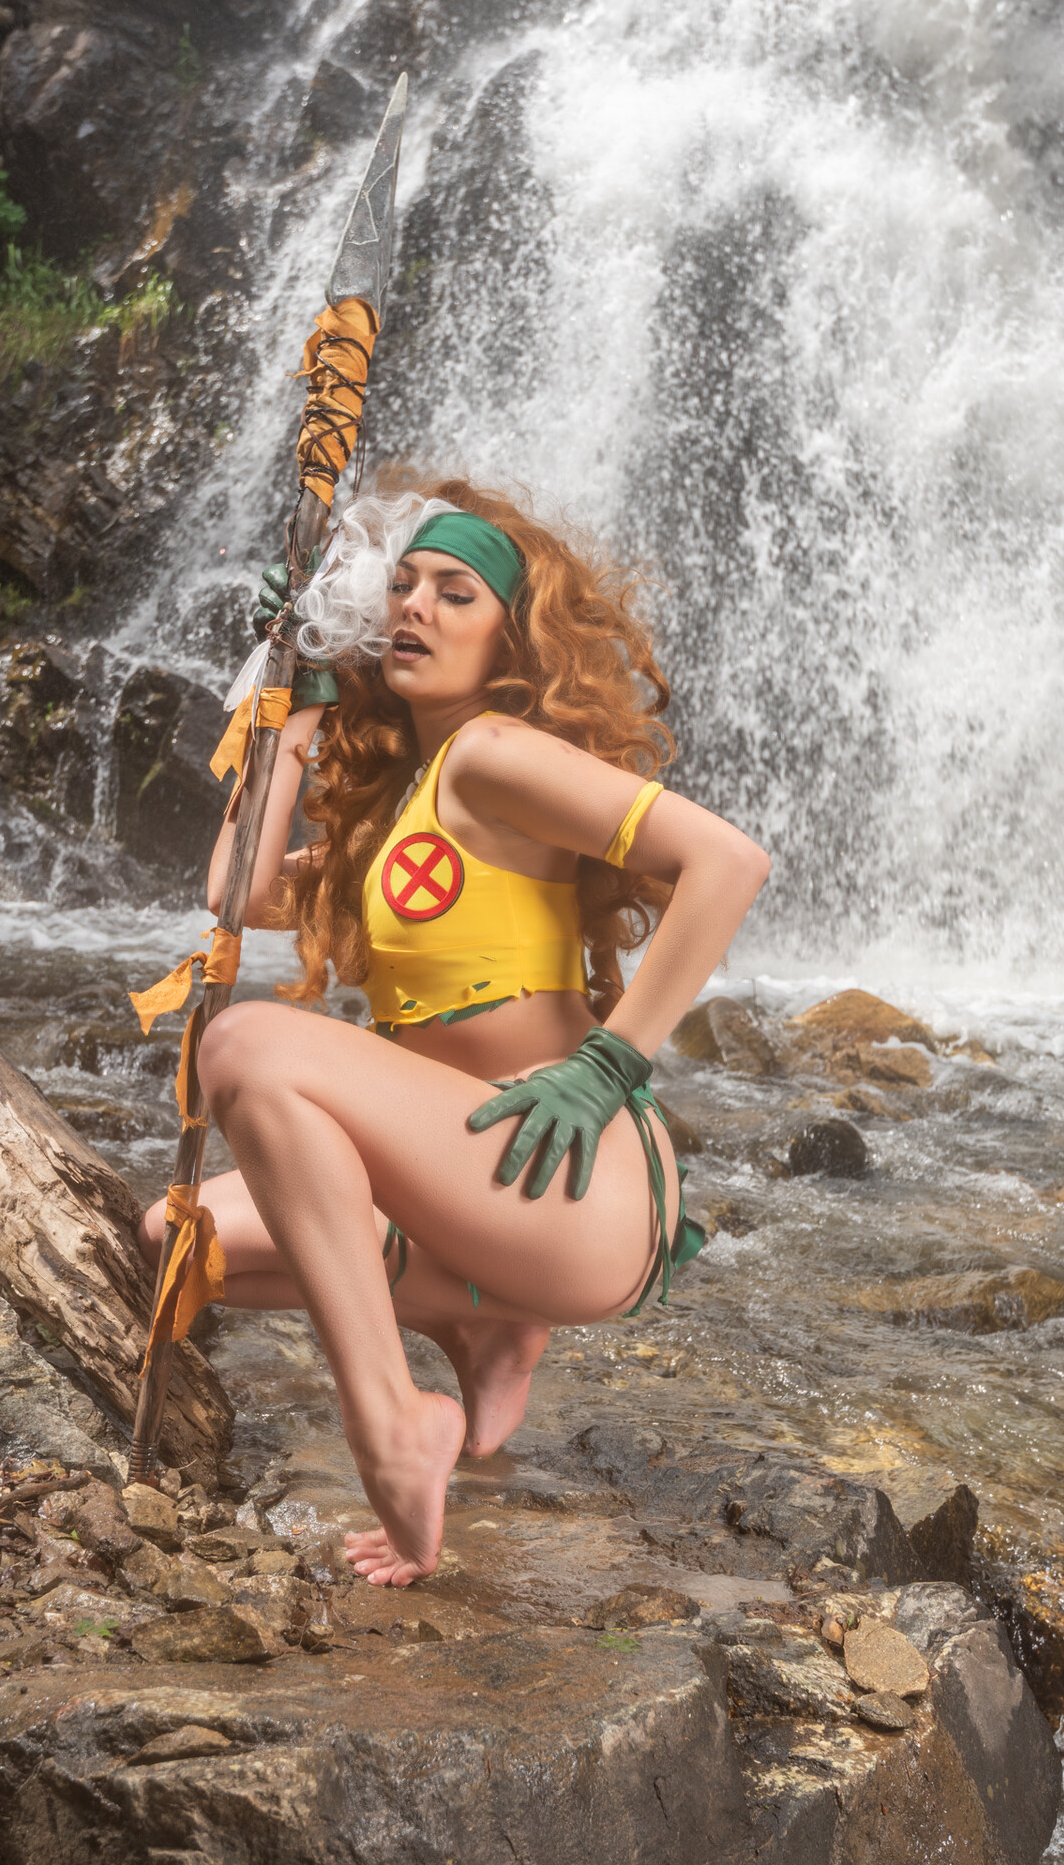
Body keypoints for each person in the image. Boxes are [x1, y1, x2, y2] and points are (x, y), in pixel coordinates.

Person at [138, 476, 769, 1587]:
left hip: (573, 1173)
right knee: (181, 1240)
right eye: (403, 587)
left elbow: (728, 862)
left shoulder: (491, 753)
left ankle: (393, 1424)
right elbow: (238, 893)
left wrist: (610, 1066)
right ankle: (484, 1327)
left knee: (243, 1046)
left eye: (455, 592)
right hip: (483, 1190)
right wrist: (298, 694)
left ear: (509, 641)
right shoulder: (404, 801)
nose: (416, 607)